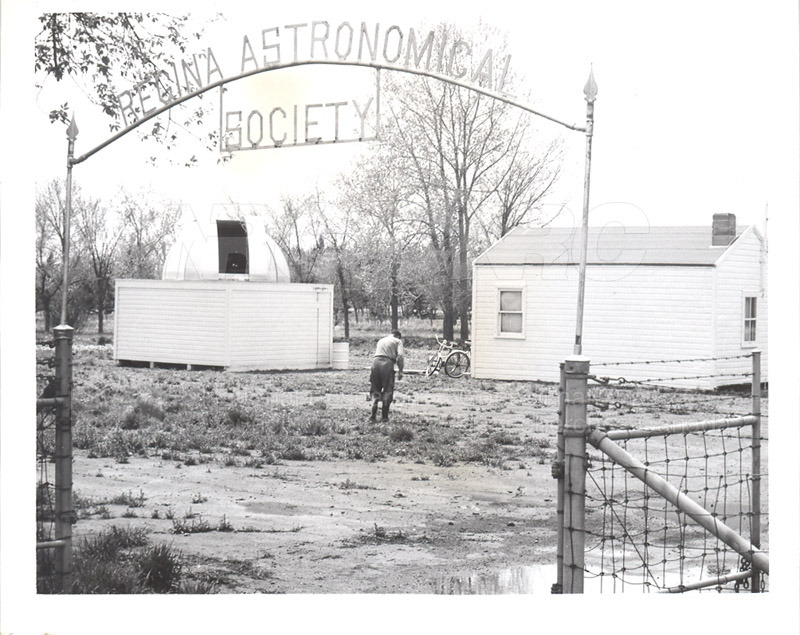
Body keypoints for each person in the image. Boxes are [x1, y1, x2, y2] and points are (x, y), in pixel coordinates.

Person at [369, 330, 404, 422]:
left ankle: (373, 414)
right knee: (388, 388)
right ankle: (384, 416)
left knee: (375, 387)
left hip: (375, 363)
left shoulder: (381, 340)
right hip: (387, 364)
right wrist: (400, 371)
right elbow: (400, 356)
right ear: (398, 336)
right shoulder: (398, 341)